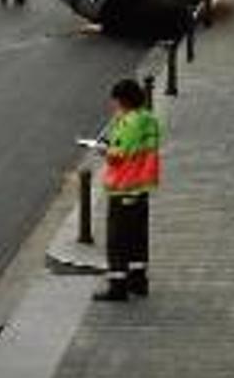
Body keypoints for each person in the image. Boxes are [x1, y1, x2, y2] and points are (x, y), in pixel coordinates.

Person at [93, 79, 161, 301]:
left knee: (118, 241)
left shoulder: (129, 123)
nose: (114, 106)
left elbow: (117, 155)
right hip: (141, 187)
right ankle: (138, 281)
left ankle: (118, 287)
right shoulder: (149, 119)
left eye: (116, 101)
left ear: (123, 101)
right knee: (138, 238)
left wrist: (103, 149)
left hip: (124, 189)